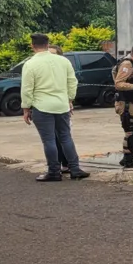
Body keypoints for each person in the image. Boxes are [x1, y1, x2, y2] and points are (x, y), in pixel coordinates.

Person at [21, 33, 89, 181]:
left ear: (32, 46)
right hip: (62, 105)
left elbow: (27, 89)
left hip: (42, 106)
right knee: (65, 137)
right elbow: (72, 82)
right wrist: (70, 99)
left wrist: (26, 108)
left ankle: (54, 171)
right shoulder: (63, 61)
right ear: (48, 44)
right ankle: (75, 169)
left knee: (49, 140)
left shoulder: (30, 64)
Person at [47, 45, 72, 174]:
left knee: (63, 136)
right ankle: (57, 165)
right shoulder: (43, 70)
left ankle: (67, 164)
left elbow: (71, 84)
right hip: (46, 108)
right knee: (52, 138)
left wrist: (70, 100)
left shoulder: (64, 69)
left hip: (62, 107)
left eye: (53, 55)